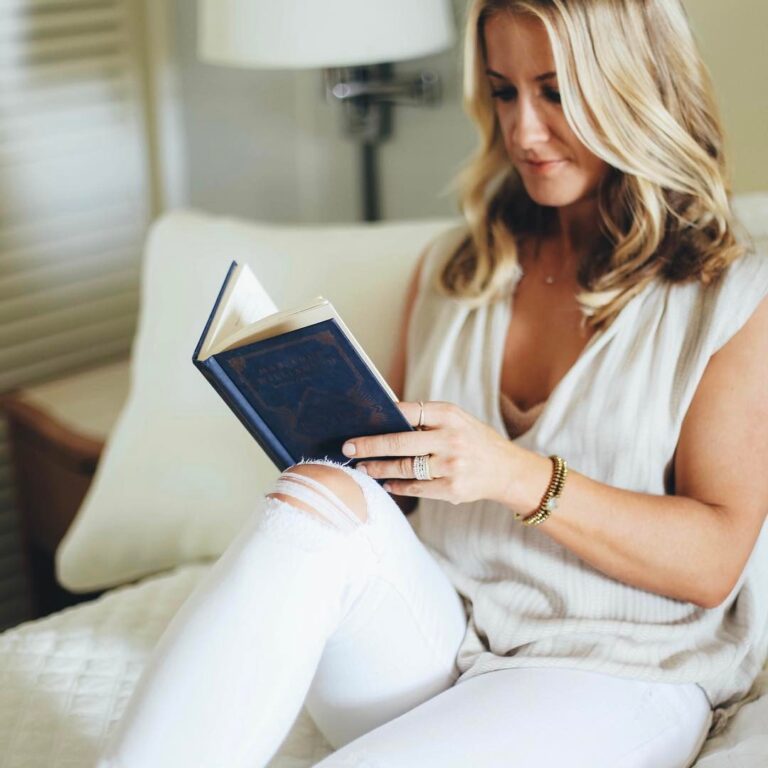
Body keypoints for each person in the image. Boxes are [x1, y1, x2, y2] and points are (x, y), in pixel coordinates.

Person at [98, 1, 768, 766]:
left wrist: (512, 474)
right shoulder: (460, 269)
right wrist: (328, 431)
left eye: (556, 92)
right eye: (504, 91)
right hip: (437, 632)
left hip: (615, 665)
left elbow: (715, 562)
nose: (524, 131)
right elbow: (398, 493)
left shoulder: (730, 297)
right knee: (314, 496)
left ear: (633, 89)